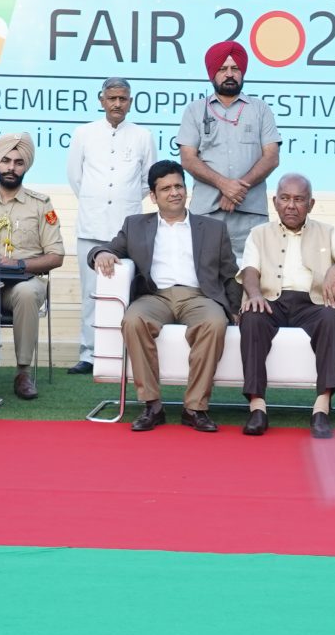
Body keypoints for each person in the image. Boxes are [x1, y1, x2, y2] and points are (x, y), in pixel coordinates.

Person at [90, 159, 237, 433]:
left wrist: (236, 309)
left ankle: (194, 408)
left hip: (199, 297)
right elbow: (107, 247)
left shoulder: (213, 228)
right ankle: (152, 405)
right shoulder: (135, 225)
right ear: (153, 196)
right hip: (154, 296)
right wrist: (102, 253)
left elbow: (229, 273)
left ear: (186, 189)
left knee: (215, 322)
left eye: (178, 186)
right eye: (166, 188)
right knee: (133, 320)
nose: (174, 193)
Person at [236, 172, 335, 439]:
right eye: (285, 198)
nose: (291, 205)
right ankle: (257, 408)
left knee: (332, 318)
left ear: (311, 204)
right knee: (251, 317)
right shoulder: (259, 234)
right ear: (275, 202)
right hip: (271, 301)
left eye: (298, 199)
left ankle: (321, 409)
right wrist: (254, 295)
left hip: (312, 303)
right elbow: (249, 270)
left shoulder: (327, 232)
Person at [65, 76, 155, 372]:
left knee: (125, 291)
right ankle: (89, 354)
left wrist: (121, 199)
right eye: (112, 98)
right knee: (91, 293)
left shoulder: (143, 136)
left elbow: (148, 182)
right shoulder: (83, 133)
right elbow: (75, 177)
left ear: (130, 102)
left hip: (126, 228)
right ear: (101, 100)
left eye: (123, 99)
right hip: (91, 224)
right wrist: (98, 199)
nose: (117, 104)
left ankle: (121, 352)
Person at [0, 131, 64, 400]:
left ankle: (23, 372)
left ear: (26, 166)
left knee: (26, 292)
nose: (11, 167)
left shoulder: (41, 204)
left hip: (22, 283)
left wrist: (19, 263)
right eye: (6, 161)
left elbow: (56, 256)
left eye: (19, 162)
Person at [177, 41, 281, 246]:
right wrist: (224, 185)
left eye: (235, 69)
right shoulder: (194, 110)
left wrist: (236, 191)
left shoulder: (260, 109)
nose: (230, 74)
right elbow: (188, 159)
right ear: (212, 74)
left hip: (251, 214)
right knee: (204, 266)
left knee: (252, 266)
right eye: (222, 69)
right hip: (207, 213)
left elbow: (271, 157)